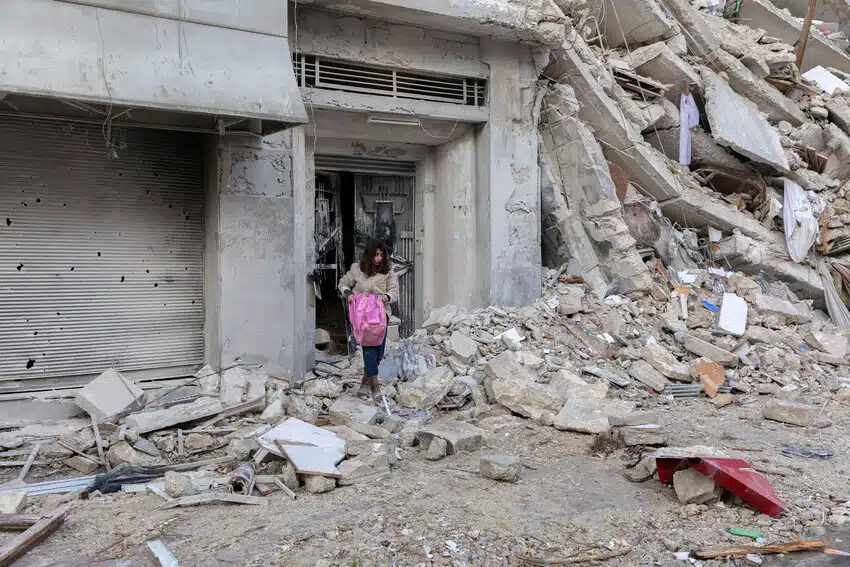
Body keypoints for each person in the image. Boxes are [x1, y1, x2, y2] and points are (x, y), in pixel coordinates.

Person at [338, 240, 398, 402]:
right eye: (375, 255)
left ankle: (365, 383)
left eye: (381, 255)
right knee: (369, 349)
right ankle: (375, 387)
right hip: (362, 316)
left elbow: (394, 292)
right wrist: (349, 294)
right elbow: (343, 284)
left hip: (380, 315)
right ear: (369, 254)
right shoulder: (356, 269)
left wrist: (386, 297)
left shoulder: (388, 271)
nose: (378, 258)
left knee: (378, 353)